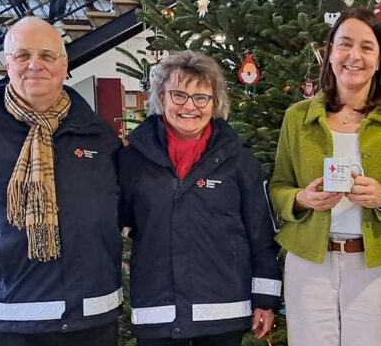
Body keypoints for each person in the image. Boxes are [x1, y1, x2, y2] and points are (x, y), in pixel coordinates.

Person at [0, 16, 123, 346]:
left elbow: (131, 211)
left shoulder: (100, 137)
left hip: (92, 319)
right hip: (10, 322)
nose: (35, 64)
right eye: (23, 55)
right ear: (8, 64)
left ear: (64, 65)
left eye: (47, 55)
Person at [269, 7, 381, 346]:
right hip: (310, 263)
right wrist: (301, 199)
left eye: (367, 47)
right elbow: (278, 187)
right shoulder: (297, 117)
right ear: (329, 53)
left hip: (377, 267)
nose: (354, 56)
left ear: (380, 58)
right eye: (344, 44)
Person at [118, 50, 281, 346]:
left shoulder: (240, 163)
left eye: (201, 97)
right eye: (178, 95)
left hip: (222, 312)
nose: (189, 106)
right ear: (161, 97)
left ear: (215, 103)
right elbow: (117, 220)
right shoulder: (132, 160)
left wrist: (265, 299)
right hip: (158, 310)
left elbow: (261, 234)